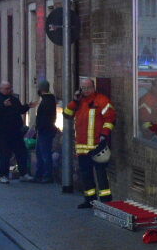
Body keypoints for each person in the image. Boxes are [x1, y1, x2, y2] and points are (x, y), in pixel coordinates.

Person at [65, 76, 117, 207]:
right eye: (83, 88)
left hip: (97, 145)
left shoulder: (102, 100)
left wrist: (104, 135)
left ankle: (106, 201)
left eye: (88, 88)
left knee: (101, 174)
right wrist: (74, 101)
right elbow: (66, 114)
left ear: (93, 87)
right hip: (82, 147)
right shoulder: (79, 101)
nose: (86, 90)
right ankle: (90, 200)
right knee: (86, 174)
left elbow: (110, 118)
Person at [0, 82, 32, 182]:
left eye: (10, 88)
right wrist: (3, 105)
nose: (9, 90)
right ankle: (3, 175)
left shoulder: (13, 99)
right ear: (0, 89)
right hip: (4, 132)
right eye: (7, 88)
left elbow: (20, 110)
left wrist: (27, 106)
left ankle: (23, 174)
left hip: (16, 131)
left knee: (21, 152)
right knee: (5, 154)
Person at [33, 79, 60, 183]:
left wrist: (39, 128)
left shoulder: (46, 101)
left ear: (40, 89)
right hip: (44, 130)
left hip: (45, 131)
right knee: (40, 153)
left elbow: (44, 117)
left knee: (45, 154)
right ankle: (39, 174)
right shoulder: (48, 99)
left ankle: (47, 176)